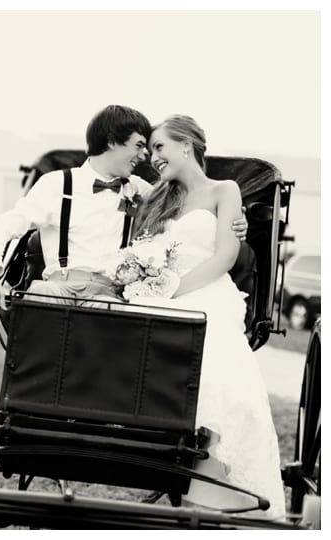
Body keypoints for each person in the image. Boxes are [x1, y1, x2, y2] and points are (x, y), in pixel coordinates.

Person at [130, 115, 285, 519]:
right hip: (154, 291)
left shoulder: (225, 190)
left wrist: (174, 289)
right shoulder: (156, 198)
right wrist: (149, 284)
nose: (153, 156)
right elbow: (137, 250)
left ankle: (216, 474)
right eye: (149, 149)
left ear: (186, 145)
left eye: (160, 146)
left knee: (212, 352)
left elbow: (225, 256)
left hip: (206, 289)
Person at [0, 105, 246, 317]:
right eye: (140, 146)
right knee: (42, 298)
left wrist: (234, 218)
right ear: (114, 141)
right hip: (58, 287)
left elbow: (186, 211)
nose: (145, 158)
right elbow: (5, 227)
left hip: (109, 295)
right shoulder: (56, 184)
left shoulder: (141, 190)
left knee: (116, 317)